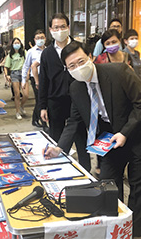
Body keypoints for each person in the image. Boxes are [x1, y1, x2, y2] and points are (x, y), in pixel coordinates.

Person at [44, 41, 141, 238]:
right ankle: (114, 227)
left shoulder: (118, 72)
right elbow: (74, 121)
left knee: (139, 189)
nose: (78, 68)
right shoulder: (76, 88)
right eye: (71, 66)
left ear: (91, 57)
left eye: (80, 61)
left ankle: (132, 233)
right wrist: (59, 148)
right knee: (107, 184)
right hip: (111, 138)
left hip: (140, 134)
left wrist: (125, 133)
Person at [38, 13, 90, 172]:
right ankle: (60, 170)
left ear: (68, 27)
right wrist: (42, 106)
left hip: (78, 100)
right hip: (56, 102)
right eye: (56, 27)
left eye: (62, 27)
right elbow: (44, 81)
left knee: (82, 139)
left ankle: (86, 171)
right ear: (50, 30)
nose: (59, 30)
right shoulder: (47, 53)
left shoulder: (78, 48)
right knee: (57, 139)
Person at [21, 29, 46, 127]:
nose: (40, 40)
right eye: (38, 38)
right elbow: (26, 66)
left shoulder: (48, 50)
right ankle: (43, 123)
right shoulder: (31, 52)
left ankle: (35, 119)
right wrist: (23, 80)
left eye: (42, 38)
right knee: (40, 99)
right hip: (35, 78)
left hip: (46, 77)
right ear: (34, 40)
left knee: (42, 99)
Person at [4, 37, 28, 120]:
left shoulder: (25, 53)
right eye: (15, 43)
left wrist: (28, 73)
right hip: (15, 74)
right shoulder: (10, 55)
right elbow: (6, 66)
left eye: (18, 43)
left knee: (26, 94)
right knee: (17, 94)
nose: (17, 44)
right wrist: (7, 75)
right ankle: (17, 111)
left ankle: (21, 106)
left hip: (24, 74)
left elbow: (28, 63)